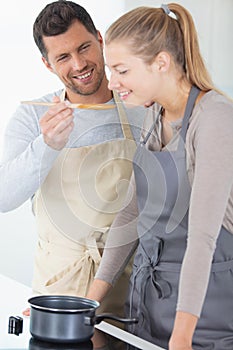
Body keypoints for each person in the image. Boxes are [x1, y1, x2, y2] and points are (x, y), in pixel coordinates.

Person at [86, 3, 233, 350]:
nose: (112, 82)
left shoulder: (214, 120)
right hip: (145, 313)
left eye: (121, 70)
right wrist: (87, 305)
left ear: (161, 63)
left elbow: (202, 237)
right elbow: (130, 212)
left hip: (202, 328)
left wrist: (181, 338)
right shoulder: (155, 115)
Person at [0, 0, 143, 321]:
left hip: (132, 286)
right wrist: (48, 144)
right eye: (63, 57)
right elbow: (4, 197)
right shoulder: (32, 115)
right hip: (59, 288)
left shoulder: (141, 106)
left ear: (101, 40)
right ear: (47, 64)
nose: (79, 64)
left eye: (85, 48)